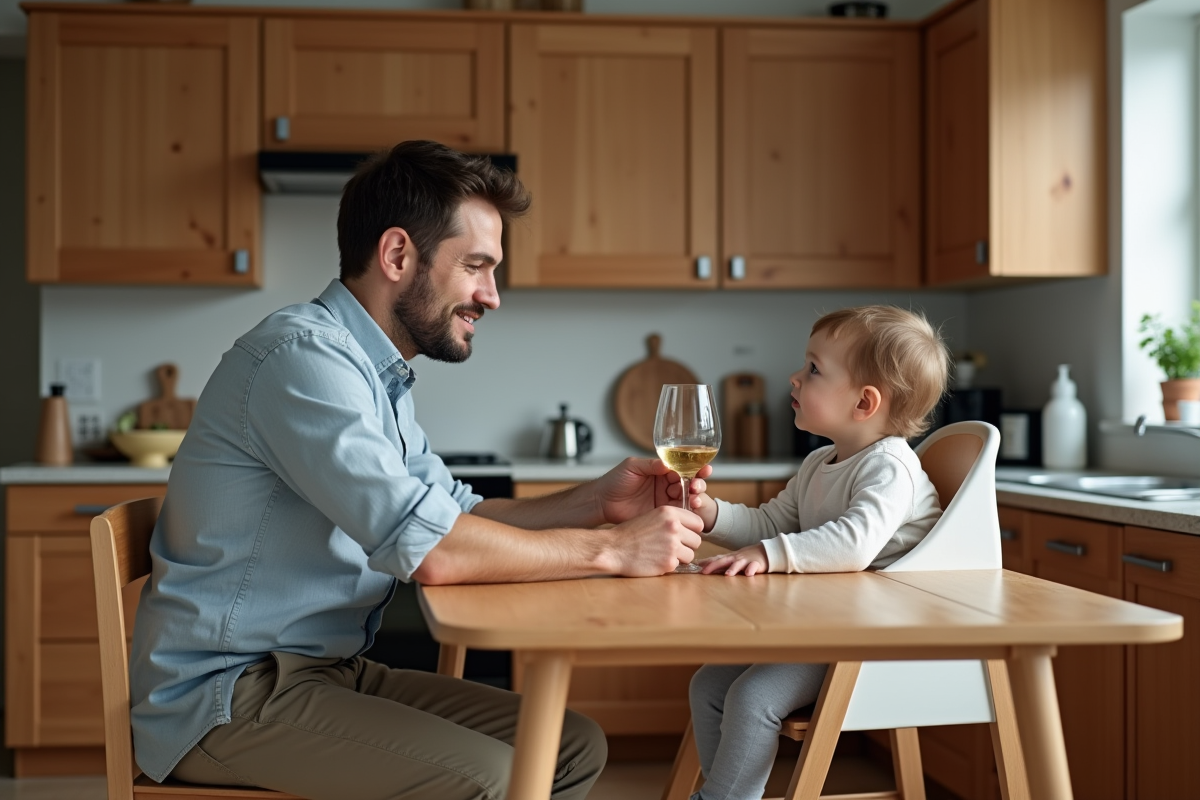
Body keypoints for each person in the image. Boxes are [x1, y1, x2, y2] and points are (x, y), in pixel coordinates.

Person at [128, 140, 709, 800]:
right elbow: (430, 550)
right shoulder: (302, 360)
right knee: (495, 781)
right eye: (477, 267)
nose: (492, 296)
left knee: (569, 747)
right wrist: (609, 551)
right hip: (228, 695)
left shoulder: (373, 373)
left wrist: (601, 504)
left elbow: (453, 515)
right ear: (399, 255)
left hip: (321, 672)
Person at [684, 305, 950, 800]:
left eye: (813, 369)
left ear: (865, 403)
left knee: (752, 696)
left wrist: (769, 554)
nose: (794, 377)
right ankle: (724, 792)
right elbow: (771, 525)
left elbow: (854, 543)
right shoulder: (818, 463)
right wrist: (709, 513)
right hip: (832, 626)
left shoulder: (890, 466)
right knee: (708, 686)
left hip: (874, 641)